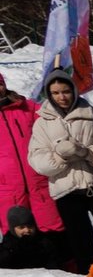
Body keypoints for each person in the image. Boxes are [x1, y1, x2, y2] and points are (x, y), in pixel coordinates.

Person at [29, 69, 93, 264]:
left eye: (65, 91)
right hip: (67, 193)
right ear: (49, 95)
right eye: (56, 93)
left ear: (73, 91)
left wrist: (87, 153)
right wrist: (60, 156)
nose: (62, 97)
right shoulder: (42, 124)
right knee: (82, 247)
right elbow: (38, 162)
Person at [0, 73, 62, 249]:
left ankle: (65, 266)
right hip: (8, 189)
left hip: (40, 182)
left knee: (54, 232)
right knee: (16, 238)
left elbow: (54, 122)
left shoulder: (27, 108)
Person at [0, 203, 81, 270]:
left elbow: (54, 266)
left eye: (30, 227)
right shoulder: (7, 247)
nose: (27, 230)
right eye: (21, 228)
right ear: (13, 229)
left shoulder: (44, 243)